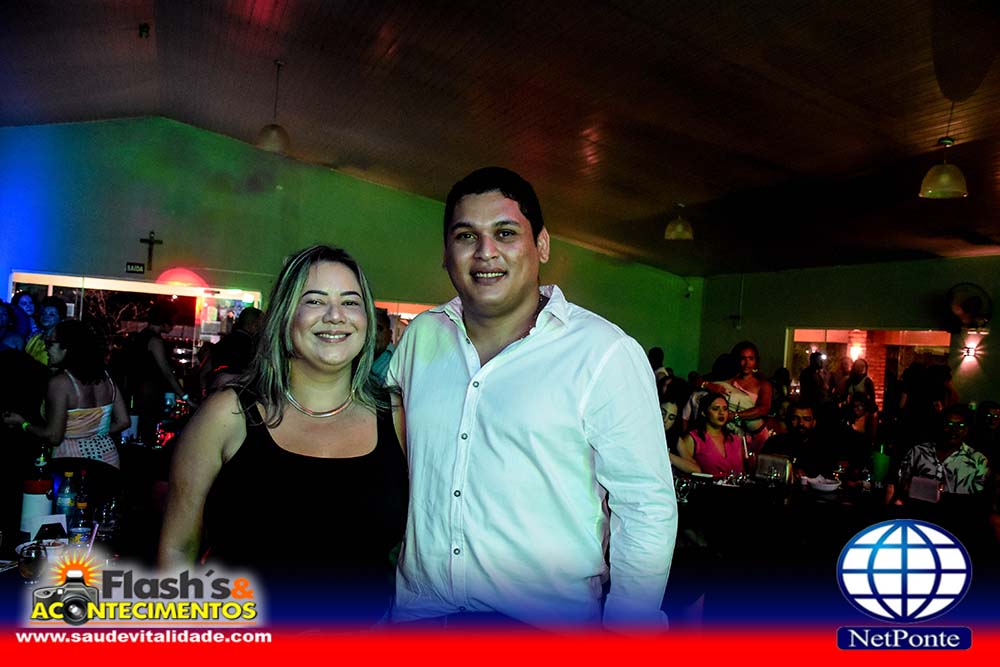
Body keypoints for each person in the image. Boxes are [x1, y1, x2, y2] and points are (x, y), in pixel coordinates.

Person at [388, 167, 676, 629]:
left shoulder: (602, 352)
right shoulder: (422, 337)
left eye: (505, 233)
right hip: (421, 617)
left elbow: (645, 504)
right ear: (446, 253)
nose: (485, 252)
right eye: (466, 236)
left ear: (541, 244)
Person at [158, 245, 407, 625]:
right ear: (286, 316)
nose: (335, 315)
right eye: (315, 300)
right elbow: (177, 548)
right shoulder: (228, 415)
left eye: (350, 302)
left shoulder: (396, 416)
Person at [3, 320, 129, 469]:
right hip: (108, 459)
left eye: (50, 344)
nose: (45, 349)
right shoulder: (106, 377)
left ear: (67, 348)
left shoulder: (61, 383)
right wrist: (92, 433)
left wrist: (22, 423)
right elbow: (123, 421)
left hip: (72, 461)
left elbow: (54, 436)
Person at [125, 302, 189, 446]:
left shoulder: (141, 337)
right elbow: (166, 372)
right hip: (149, 393)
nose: (174, 325)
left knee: (139, 432)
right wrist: (184, 396)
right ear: (164, 321)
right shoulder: (155, 341)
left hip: (137, 390)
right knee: (148, 432)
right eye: (173, 321)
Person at [705, 341, 773, 452]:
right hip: (731, 434)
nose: (747, 363)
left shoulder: (763, 384)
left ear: (756, 361)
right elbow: (697, 380)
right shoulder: (729, 379)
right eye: (743, 358)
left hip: (756, 435)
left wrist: (734, 416)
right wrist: (707, 385)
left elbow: (763, 409)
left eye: (751, 358)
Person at [671, 392, 745, 478]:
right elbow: (682, 472)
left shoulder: (735, 440)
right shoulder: (693, 439)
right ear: (704, 412)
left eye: (725, 409)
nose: (721, 413)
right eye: (715, 409)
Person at [201, 306, 263, 395]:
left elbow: (204, 372)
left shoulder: (224, 342)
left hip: (214, 394)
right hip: (235, 396)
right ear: (253, 325)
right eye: (260, 325)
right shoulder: (252, 347)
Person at [24, 296, 66, 366]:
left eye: (51, 314)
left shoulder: (61, 343)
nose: (46, 317)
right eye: (43, 313)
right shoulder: (35, 338)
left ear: (61, 319)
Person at [370, 307, 394, 386]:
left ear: (389, 335)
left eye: (379, 328)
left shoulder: (398, 361)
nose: (373, 333)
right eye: (369, 328)